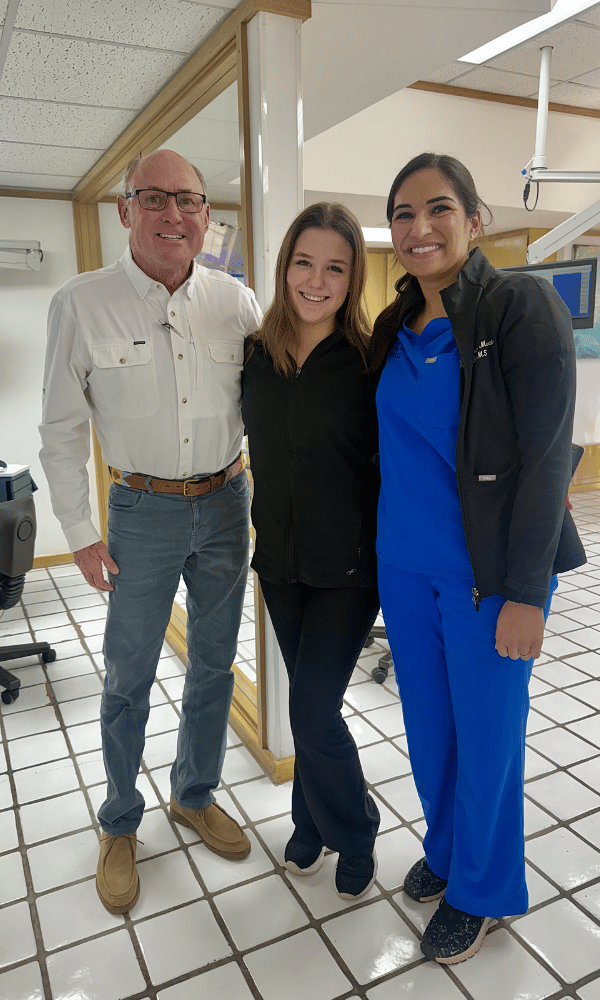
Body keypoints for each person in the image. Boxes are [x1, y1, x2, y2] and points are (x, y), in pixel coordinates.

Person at [371, 153, 586, 964]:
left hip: (486, 577)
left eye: (438, 209)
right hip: (405, 566)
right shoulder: (397, 325)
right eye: (402, 214)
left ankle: (484, 887)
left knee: (488, 736)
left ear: (474, 217)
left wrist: (528, 592)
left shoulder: (517, 306)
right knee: (429, 731)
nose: (418, 228)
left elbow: (545, 458)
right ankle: (450, 847)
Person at [39, 150, 262, 915]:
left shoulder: (238, 301)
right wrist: (78, 530)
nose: (175, 215)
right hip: (140, 512)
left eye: (190, 201)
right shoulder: (82, 302)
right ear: (126, 210)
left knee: (213, 664)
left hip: (228, 503)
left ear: (207, 214)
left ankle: (193, 793)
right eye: (157, 199)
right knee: (127, 675)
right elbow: (62, 428)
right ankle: (120, 820)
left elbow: (277, 406)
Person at [242, 203, 381, 899]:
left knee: (314, 710)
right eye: (305, 262)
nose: (317, 280)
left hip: (350, 570)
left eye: (335, 267)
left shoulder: (367, 361)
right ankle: (309, 819)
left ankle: (355, 830)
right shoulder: (254, 354)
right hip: (280, 568)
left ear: (352, 277)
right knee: (305, 703)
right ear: (284, 266)